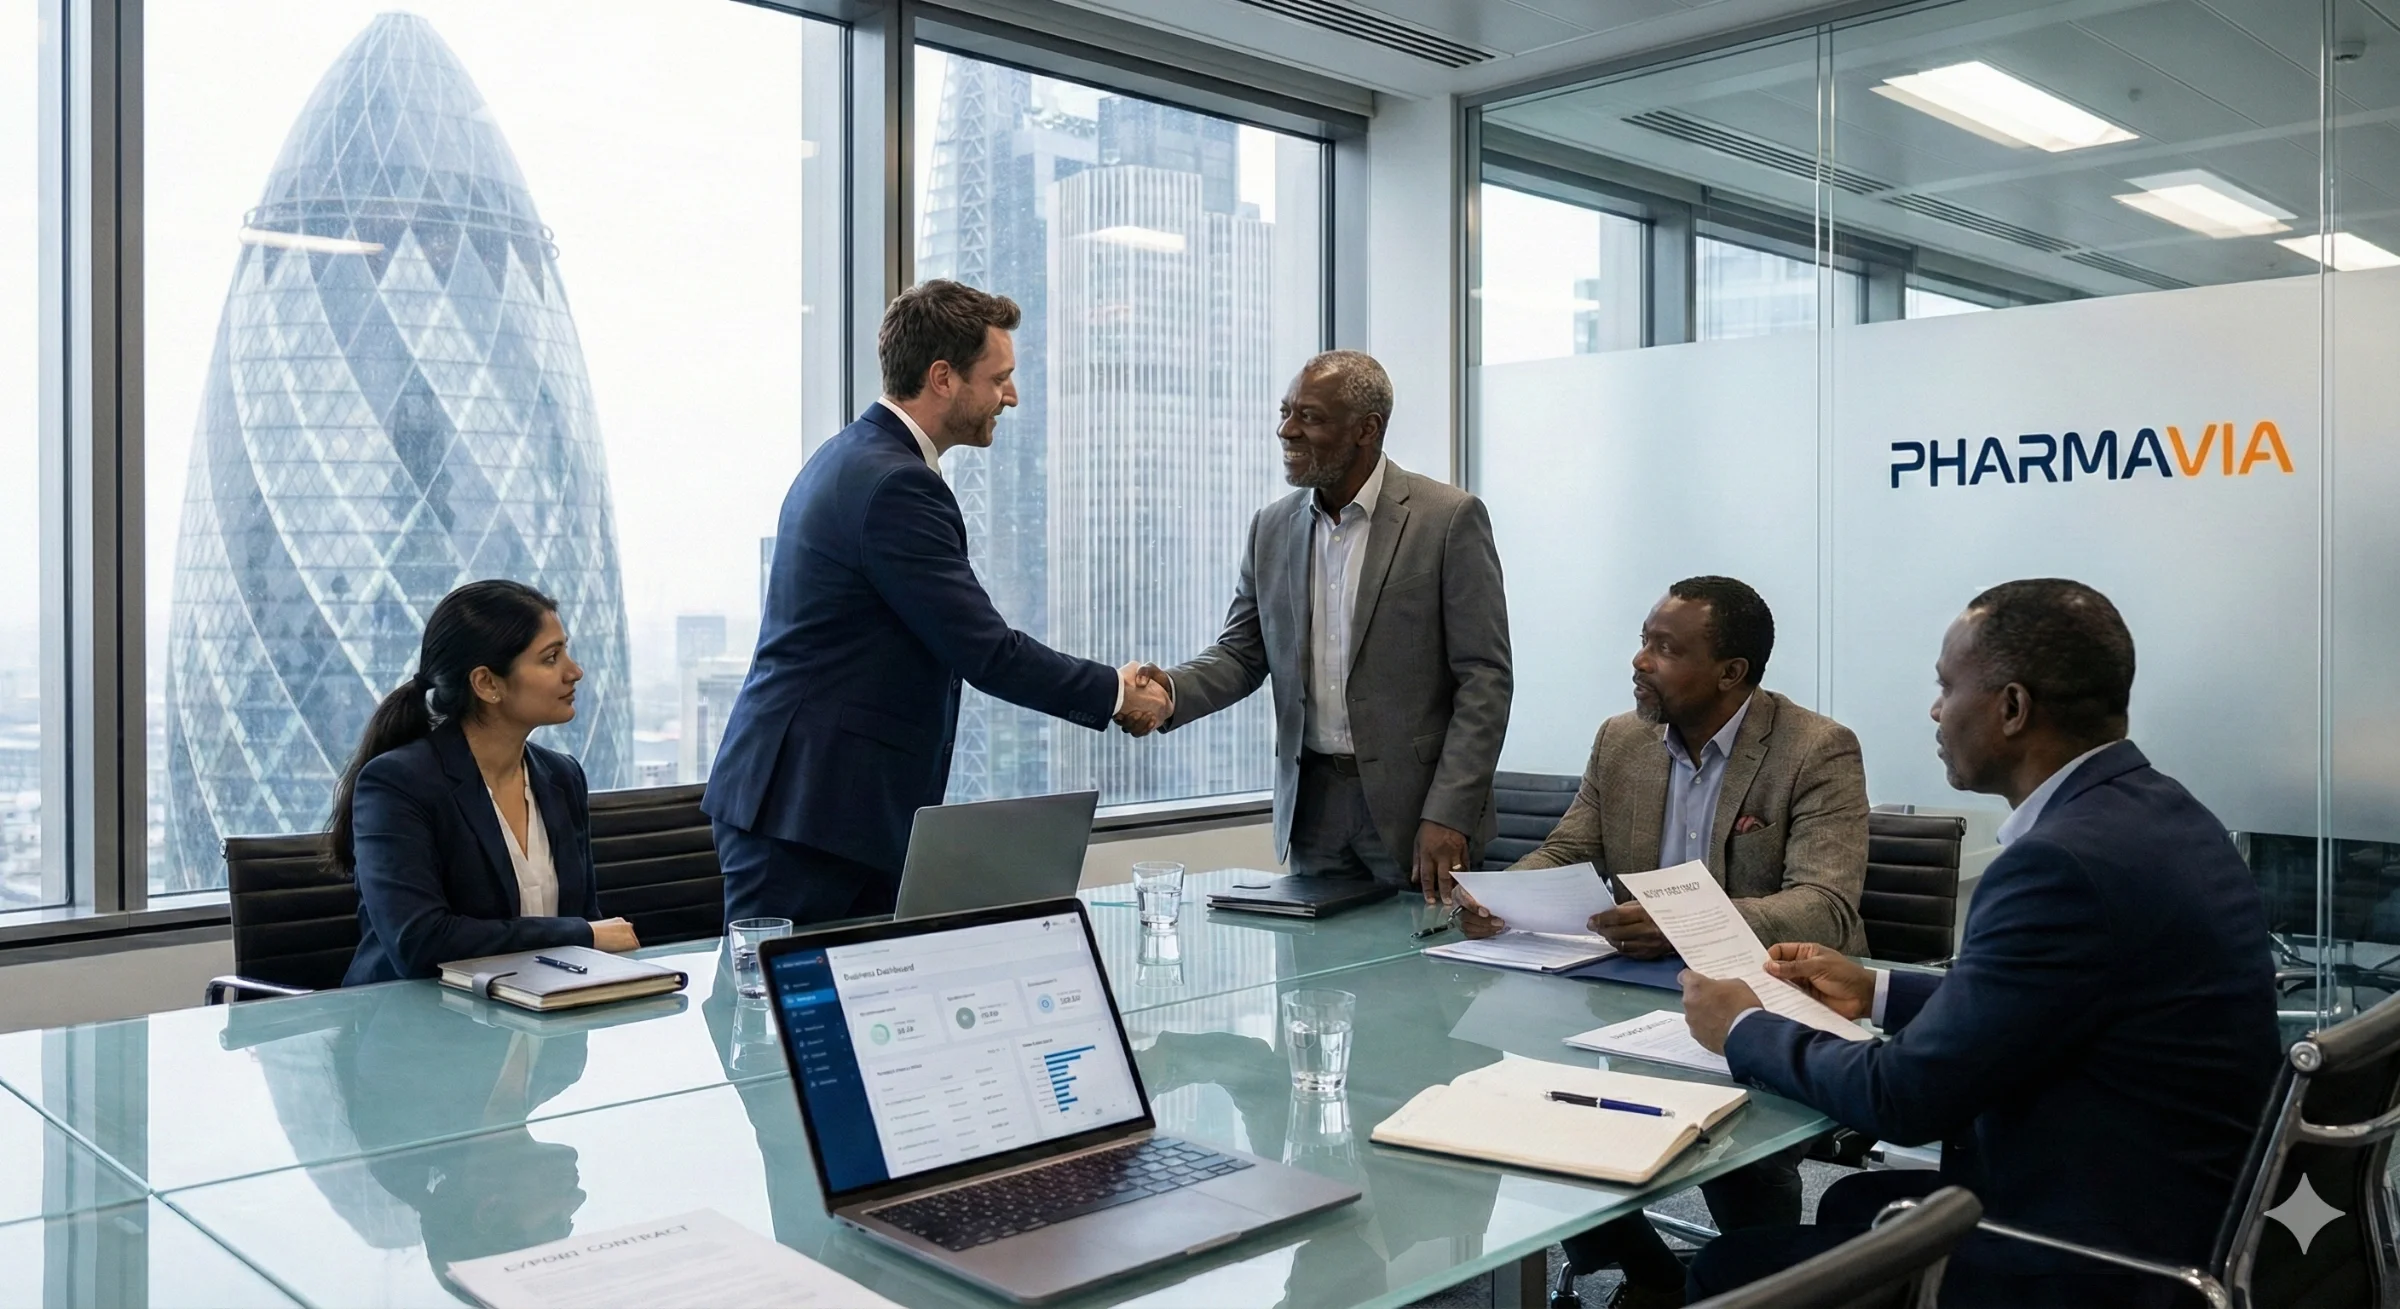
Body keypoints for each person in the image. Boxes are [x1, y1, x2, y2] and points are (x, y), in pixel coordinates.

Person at [1678, 579, 2280, 1308]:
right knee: (1849, 1204)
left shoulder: (2060, 864)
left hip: (2104, 1256)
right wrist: (1876, 990)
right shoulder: (2159, 811)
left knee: (1728, 1271)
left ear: (2012, 708)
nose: (1936, 710)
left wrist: (1743, 1026)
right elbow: (2048, 998)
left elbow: (1903, 1098)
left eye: (1946, 686)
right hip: (2181, 1200)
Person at [704, 280, 1168, 926]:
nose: (1011, 395)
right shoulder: (896, 484)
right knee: (782, 995)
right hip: (811, 818)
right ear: (943, 377)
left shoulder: (853, 458)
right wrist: (1115, 693)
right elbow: (985, 650)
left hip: (824, 810)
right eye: (998, 378)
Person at [1461, 576, 1868, 1307]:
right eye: (1644, 640)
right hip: (1628, 993)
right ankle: (1653, 1275)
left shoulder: (1816, 749)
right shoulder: (1622, 740)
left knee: (1738, 1141)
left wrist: (1684, 923)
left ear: (1731, 672)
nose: (1640, 660)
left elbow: (1825, 906)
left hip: (1761, 994)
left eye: (1665, 648)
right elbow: (1570, 848)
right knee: (1545, 1103)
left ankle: (1760, 1289)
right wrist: (1500, 895)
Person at [1123, 350, 1512, 892]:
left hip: (1418, 809)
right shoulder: (1271, 527)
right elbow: (1242, 653)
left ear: (1366, 429)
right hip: (1313, 810)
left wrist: (1449, 812)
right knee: (1310, 952)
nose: (1287, 430)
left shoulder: (1447, 519)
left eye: (1309, 416)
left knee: (1423, 948)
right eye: (1286, 412)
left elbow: (1484, 680)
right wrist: (1170, 691)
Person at [333, 579, 638, 986]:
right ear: (487, 684)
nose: (574, 672)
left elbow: (587, 924)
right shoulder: (397, 784)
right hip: (413, 1014)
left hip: (537, 1009)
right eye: (551, 658)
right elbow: (420, 942)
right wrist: (580, 934)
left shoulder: (563, 777)